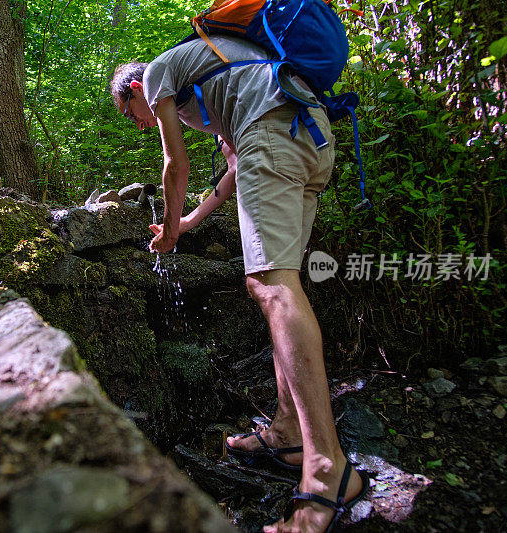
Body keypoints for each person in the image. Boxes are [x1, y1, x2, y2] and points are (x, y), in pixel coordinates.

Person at [110, 34, 368, 533]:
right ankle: (288, 431)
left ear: (138, 88)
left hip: (271, 137)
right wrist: (186, 224)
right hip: (310, 140)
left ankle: (327, 470)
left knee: (271, 288)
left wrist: (167, 228)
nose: (140, 124)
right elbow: (230, 173)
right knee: (282, 287)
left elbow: (175, 165)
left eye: (132, 113)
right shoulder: (220, 87)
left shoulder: (163, 71)